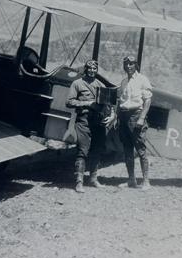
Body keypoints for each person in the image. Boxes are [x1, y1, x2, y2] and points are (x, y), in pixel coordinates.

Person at [107, 54, 153, 190]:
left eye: (131, 64)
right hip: (124, 117)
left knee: (141, 149)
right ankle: (131, 179)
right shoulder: (123, 81)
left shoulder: (143, 80)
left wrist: (142, 117)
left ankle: (146, 181)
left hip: (136, 116)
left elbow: (148, 100)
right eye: (126, 64)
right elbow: (120, 102)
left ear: (136, 65)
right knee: (127, 150)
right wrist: (116, 117)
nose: (128, 66)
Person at [65, 59, 107, 193]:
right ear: (85, 69)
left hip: (98, 122)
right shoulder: (77, 84)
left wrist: (110, 116)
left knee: (96, 151)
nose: (92, 71)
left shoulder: (101, 85)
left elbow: (108, 104)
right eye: (90, 68)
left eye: (95, 69)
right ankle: (79, 182)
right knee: (82, 151)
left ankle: (93, 179)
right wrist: (87, 103)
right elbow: (69, 102)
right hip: (84, 121)